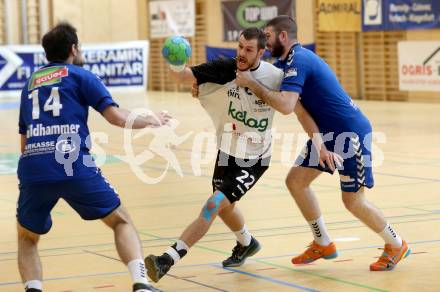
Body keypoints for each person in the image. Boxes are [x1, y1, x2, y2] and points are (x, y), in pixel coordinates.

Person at [144, 27, 338, 283]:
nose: (242, 54)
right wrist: (175, 61)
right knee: (226, 207)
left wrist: (320, 143)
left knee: (213, 205)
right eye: (239, 47)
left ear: (261, 51)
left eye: (248, 50)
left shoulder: (275, 77)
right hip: (226, 152)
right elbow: (184, 77)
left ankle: (167, 259)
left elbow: (298, 111)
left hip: (254, 159)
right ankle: (246, 243)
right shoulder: (227, 68)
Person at [234, 15, 411, 271]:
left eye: (268, 36)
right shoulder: (286, 65)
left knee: (353, 201)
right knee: (296, 181)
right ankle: (322, 242)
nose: (265, 41)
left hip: (350, 135)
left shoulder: (299, 60)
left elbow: (284, 105)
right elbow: (300, 111)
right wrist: (320, 146)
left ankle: (396, 244)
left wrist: (252, 83)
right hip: (328, 135)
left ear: (283, 36)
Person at [16, 22, 168, 292]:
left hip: (33, 165)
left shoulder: (30, 84)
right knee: (120, 220)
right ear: (73, 48)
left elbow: (24, 140)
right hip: (72, 163)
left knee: (27, 237)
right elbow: (117, 117)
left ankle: (33, 288)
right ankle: (141, 283)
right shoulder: (81, 76)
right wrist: (151, 119)